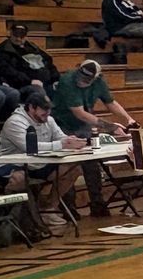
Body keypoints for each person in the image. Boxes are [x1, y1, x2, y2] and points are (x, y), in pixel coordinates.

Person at [53, 59, 134, 217]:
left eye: (87, 80)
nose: (82, 82)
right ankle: (69, 208)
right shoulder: (67, 81)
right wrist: (111, 127)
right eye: (81, 77)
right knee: (69, 165)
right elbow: (79, 112)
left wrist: (128, 119)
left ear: (96, 77)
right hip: (63, 124)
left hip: (84, 124)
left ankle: (97, 203)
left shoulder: (99, 83)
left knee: (92, 163)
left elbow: (110, 102)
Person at [0, 89, 85, 221]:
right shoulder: (15, 122)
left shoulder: (49, 120)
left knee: (73, 169)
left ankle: (49, 209)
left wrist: (72, 141)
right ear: (31, 107)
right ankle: (23, 219)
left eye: (49, 109)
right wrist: (62, 144)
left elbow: (61, 138)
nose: (47, 113)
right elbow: (29, 147)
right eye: (43, 109)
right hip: (10, 164)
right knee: (19, 179)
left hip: (37, 164)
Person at [0, 22, 60, 93]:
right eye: (16, 35)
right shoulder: (3, 49)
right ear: (10, 33)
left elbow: (48, 62)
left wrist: (56, 79)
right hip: (22, 85)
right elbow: (7, 71)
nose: (18, 38)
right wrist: (29, 81)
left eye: (22, 36)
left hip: (46, 82)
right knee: (38, 91)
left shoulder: (32, 47)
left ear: (26, 36)